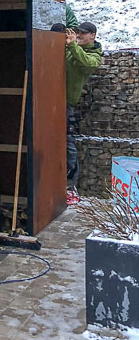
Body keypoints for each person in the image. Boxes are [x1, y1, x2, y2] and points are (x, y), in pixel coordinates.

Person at [65, 21, 103, 204]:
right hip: (51, 99)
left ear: (93, 36)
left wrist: (72, 44)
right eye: (78, 32)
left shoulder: (94, 55)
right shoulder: (71, 46)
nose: (79, 35)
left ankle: (70, 186)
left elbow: (86, 64)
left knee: (68, 143)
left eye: (83, 33)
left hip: (67, 103)